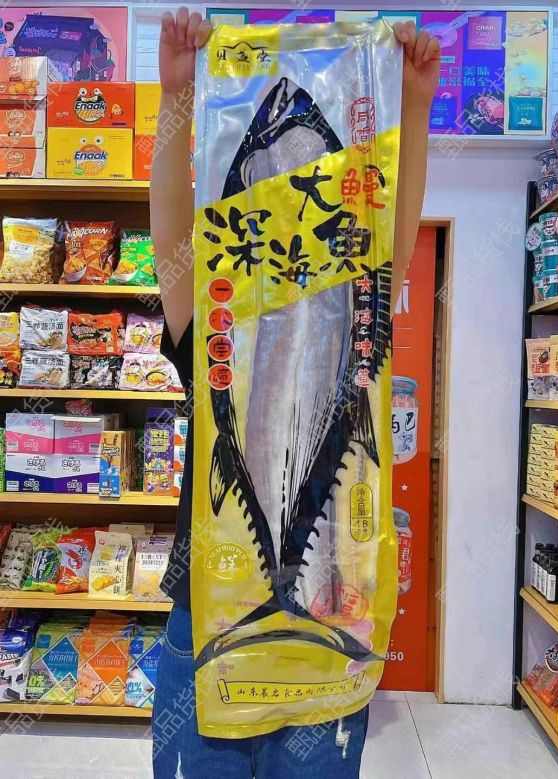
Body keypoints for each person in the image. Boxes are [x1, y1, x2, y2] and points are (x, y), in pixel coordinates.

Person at [150, 9, 440, 779]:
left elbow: (389, 245)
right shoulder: (212, 317)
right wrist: (175, 100)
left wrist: (413, 108)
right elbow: (171, 238)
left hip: (327, 618)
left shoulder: (351, 304)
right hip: (206, 624)